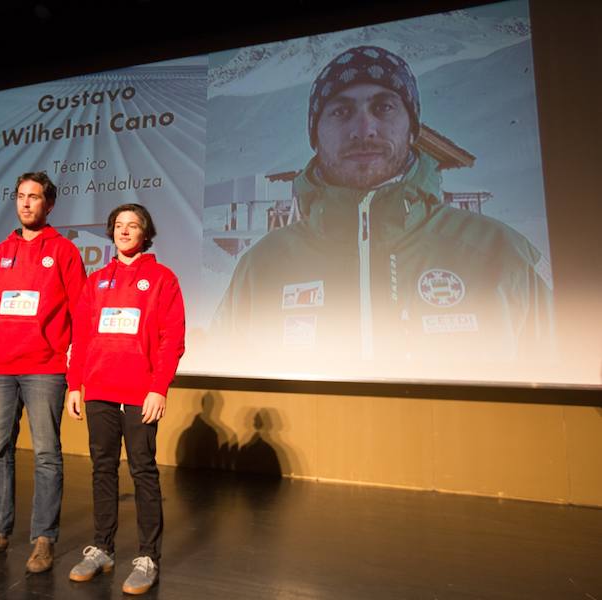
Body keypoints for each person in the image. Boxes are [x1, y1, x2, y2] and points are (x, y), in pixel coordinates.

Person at [212, 45, 554, 371]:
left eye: (384, 107)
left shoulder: (500, 255)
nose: (364, 129)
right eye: (341, 111)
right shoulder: (260, 268)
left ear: (412, 128)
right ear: (315, 133)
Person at [0, 172, 86, 573]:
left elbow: (80, 307)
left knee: (46, 454)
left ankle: (44, 539)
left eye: (35, 197)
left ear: (49, 205)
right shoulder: (1, 250)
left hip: (44, 367)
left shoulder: (63, 250)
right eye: (21, 196)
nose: (26, 203)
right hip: (1, 366)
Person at [65, 204, 186, 595]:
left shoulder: (163, 279)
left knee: (142, 471)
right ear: (111, 232)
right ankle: (102, 549)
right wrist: (74, 384)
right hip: (99, 389)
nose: (125, 231)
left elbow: (172, 338)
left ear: (145, 234)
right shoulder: (96, 280)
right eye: (119, 225)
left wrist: (159, 387)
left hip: (140, 394)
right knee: (102, 469)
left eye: (133, 226)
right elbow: (81, 337)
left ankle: (148, 557)